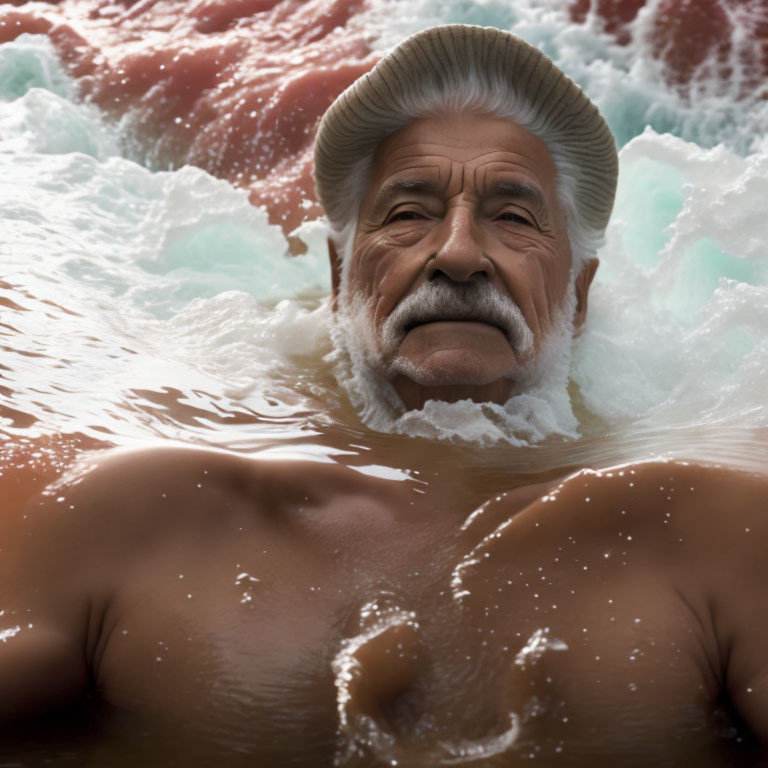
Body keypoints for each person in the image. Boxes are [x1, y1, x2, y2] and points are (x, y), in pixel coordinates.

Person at [1, 24, 767, 768]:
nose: (461, 253)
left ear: (579, 294)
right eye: (409, 214)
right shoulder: (140, 515)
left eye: (512, 216)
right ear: (337, 280)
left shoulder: (714, 534)